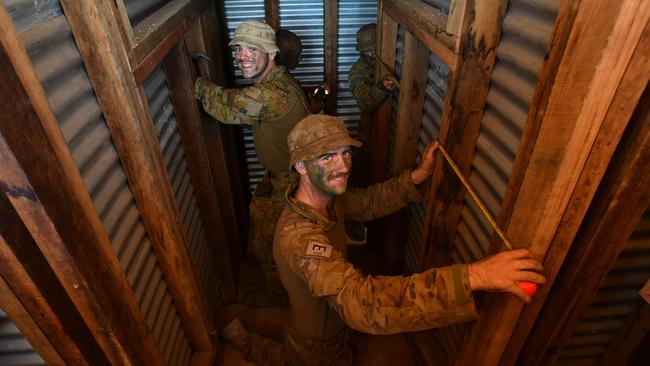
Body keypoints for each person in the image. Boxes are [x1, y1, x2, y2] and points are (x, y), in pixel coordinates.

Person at [221, 114, 546, 365]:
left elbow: (372, 200)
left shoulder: (328, 198)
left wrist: (416, 177)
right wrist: (475, 276)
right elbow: (362, 303)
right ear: (300, 167)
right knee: (285, 360)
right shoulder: (300, 237)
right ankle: (242, 338)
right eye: (327, 158)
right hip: (317, 346)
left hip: (332, 326)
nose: (343, 165)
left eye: (345, 152)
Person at [194, 19, 310, 307]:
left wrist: (194, 83)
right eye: (239, 48)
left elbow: (226, 104)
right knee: (266, 236)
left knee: (269, 243)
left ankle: (279, 298)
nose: (241, 56)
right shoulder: (279, 82)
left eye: (252, 49)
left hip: (289, 181)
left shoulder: (271, 94)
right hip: (282, 176)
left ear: (271, 54)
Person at [348, 23, 397, 184]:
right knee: (367, 172)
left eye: (375, 48)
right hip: (371, 130)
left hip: (393, 126)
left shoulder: (390, 59)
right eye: (369, 50)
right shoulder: (357, 72)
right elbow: (364, 103)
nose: (373, 54)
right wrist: (381, 88)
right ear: (361, 51)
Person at [275, 28, 329, 114]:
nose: (299, 60)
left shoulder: (283, 75)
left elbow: (296, 92)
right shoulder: (278, 82)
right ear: (282, 56)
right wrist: (317, 103)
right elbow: (307, 113)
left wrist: (316, 90)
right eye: (296, 56)